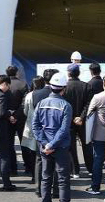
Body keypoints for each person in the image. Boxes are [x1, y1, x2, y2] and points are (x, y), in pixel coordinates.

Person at [32, 72, 73, 202]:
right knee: (63, 179)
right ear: (63, 89)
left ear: (51, 87)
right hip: (60, 146)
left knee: (46, 177)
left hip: (45, 147)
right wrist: (52, 144)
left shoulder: (41, 103)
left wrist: (45, 143)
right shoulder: (66, 106)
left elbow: (35, 126)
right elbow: (64, 129)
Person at [84, 73, 105, 195]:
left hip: (99, 134)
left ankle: (95, 187)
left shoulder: (97, 97)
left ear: (104, 84)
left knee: (98, 160)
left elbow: (89, 114)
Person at [31, 69, 60, 197]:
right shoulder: (61, 93)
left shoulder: (36, 93)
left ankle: (39, 189)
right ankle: (55, 190)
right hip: (56, 132)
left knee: (39, 160)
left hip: (41, 132)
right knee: (56, 162)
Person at [63, 63, 93, 178]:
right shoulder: (86, 86)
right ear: (78, 73)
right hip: (83, 121)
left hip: (69, 121)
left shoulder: (65, 87)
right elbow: (89, 104)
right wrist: (81, 117)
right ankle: (91, 169)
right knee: (87, 145)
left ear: (68, 73)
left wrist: (71, 118)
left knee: (71, 146)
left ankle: (75, 171)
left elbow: (63, 105)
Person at [6, 65, 30, 175]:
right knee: (24, 143)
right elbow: (24, 103)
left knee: (9, 144)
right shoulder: (23, 84)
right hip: (21, 118)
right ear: (16, 73)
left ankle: (12, 168)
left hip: (7, 118)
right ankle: (28, 167)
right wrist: (16, 115)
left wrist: (10, 115)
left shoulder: (4, 85)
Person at [22, 76, 46, 184]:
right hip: (44, 126)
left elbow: (25, 111)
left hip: (31, 125)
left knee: (32, 153)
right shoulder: (47, 94)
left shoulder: (29, 95)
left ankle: (34, 175)